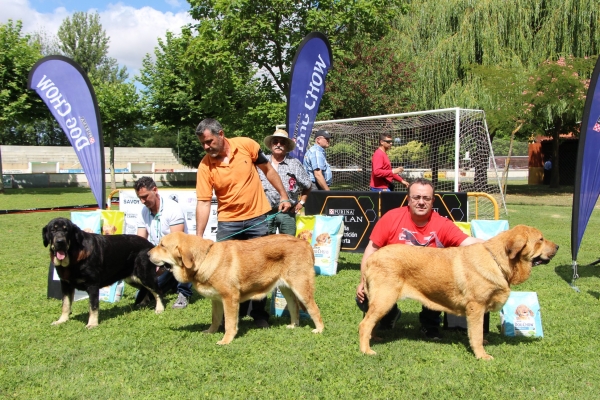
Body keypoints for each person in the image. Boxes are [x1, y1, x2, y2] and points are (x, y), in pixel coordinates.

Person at [355, 178, 484, 339]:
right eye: (416, 197)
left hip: (429, 280)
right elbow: (371, 249)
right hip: (394, 274)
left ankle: (430, 325)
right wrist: (363, 281)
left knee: (440, 279)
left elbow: (468, 242)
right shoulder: (391, 218)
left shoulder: (442, 223)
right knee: (364, 297)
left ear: (432, 201)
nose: (421, 202)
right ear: (408, 199)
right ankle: (389, 315)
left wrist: (497, 244)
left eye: (426, 198)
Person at [195, 118, 292, 329]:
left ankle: (259, 315)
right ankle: (228, 318)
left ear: (221, 134)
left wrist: (284, 196)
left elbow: (269, 170)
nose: (206, 147)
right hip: (228, 223)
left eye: (209, 141)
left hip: (257, 218)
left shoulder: (247, 145)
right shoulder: (205, 165)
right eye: (203, 143)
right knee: (223, 272)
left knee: (260, 268)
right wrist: (198, 236)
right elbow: (203, 202)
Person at [134, 176, 193, 309]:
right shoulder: (143, 212)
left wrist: (160, 264)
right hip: (160, 257)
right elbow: (140, 242)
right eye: (140, 198)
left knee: (182, 254)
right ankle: (171, 282)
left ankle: (184, 292)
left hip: (175, 255)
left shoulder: (173, 209)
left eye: (145, 196)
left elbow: (178, 242)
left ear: (155, 190)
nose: (143, 201)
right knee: (142, 292)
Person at [259, 129, 312, 235]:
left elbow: (308, 185)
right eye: (275, 142)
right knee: (266, 246)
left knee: (289, 246)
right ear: (270, 145)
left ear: (287, 146)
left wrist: (301, 202)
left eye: (282, 142)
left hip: (287, 213)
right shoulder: (261, 162)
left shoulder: (294, 163)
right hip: (265, 212)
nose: (278, 145)